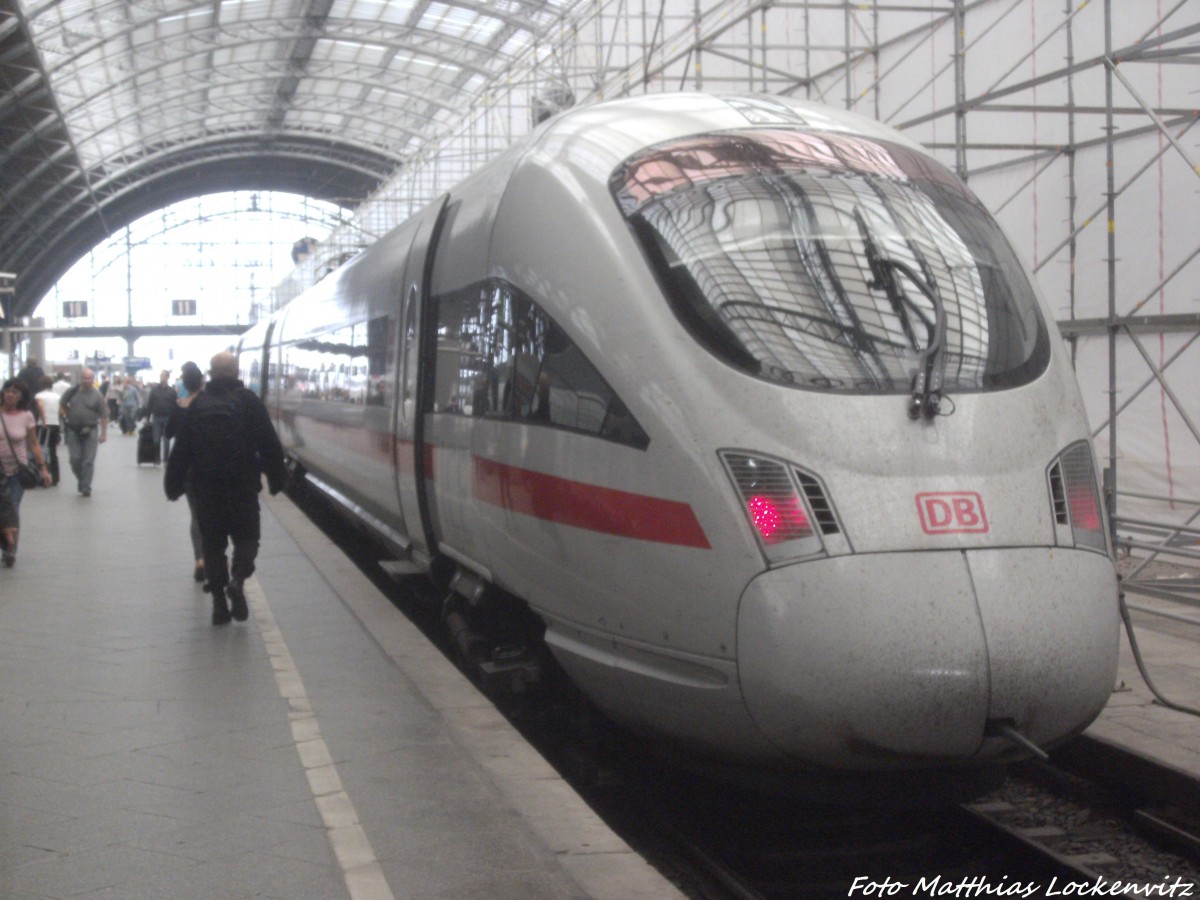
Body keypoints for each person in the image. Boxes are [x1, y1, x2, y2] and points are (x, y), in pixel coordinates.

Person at [165, 351, 286, 625]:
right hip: (242, 486)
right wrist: (277, 479)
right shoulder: (248, 402)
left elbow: (182, 449)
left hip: (206, 489)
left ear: (210, 372)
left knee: (212, 545)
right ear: (236, 372)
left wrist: (173, 484)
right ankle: (238, 580)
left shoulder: (198, 404)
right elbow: (269, 443)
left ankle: (219, 602)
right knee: (247, 539)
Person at [0, 378, 51, 567]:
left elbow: (33, 443)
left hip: (16, 471)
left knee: (11, 509)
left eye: (15, 392)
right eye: (8, 390)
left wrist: (43, 467)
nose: (10, 394)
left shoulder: (26, 416)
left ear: (22, 397)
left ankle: (10, 550)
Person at [165, 362, 206, 586]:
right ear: (201, 382)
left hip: (188, 468)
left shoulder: (180, 405)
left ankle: (200, 558)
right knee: (212, 512)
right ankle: (214, 555)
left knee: (196, 515)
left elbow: (168, 432)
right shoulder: (209, 404)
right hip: (211, 465)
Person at [60, 368, 108, 497]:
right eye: (84, 378)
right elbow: (62, 403)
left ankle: (86, 486)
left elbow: (104, 415)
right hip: (73, 430)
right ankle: (82, 480)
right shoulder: (72, 392)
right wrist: (67, 414)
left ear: (93, 380)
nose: (86, 381)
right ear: (80, 379)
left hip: (90, 430)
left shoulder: (97, 395)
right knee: (75, 459)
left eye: (89, 378)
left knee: (88, 460)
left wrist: (103, 434)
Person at [145, 369, 178, 464]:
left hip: (168, 417)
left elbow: (175, 405)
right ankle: (156, 457)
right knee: (156, 438)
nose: (162, 377)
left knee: (167, 439)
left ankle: (166, 458)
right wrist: (147, 417)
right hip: (156, 417)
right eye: (161, 375)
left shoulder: (172, 391)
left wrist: (175, 419)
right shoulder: (154, 390)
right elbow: (150, 404)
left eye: (164, 375)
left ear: (167, 377)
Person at [33, 375, 61, 486]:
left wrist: (44, 420)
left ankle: (42, 475)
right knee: (52, 451)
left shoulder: (38, 396)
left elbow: (40, 407)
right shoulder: (57, 396)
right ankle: (55, 477)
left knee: (40, 451)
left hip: (42, 424)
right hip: (55, 424)